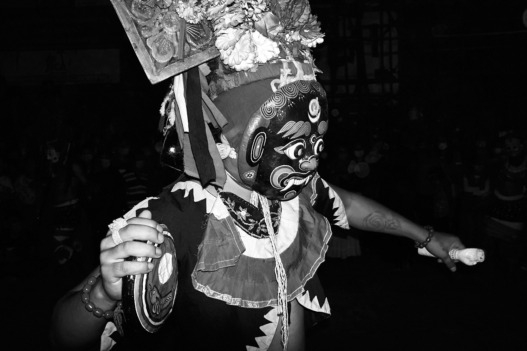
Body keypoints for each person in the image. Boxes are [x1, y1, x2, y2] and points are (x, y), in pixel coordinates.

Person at [50, 1, 465, 350]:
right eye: (293, 145)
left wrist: (427, 238)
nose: (307, 163)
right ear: (229, 135)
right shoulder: (177, 216)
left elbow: (348, 205)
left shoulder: (287, 192)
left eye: (313, 144)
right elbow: (61, 334)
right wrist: (104, 292)